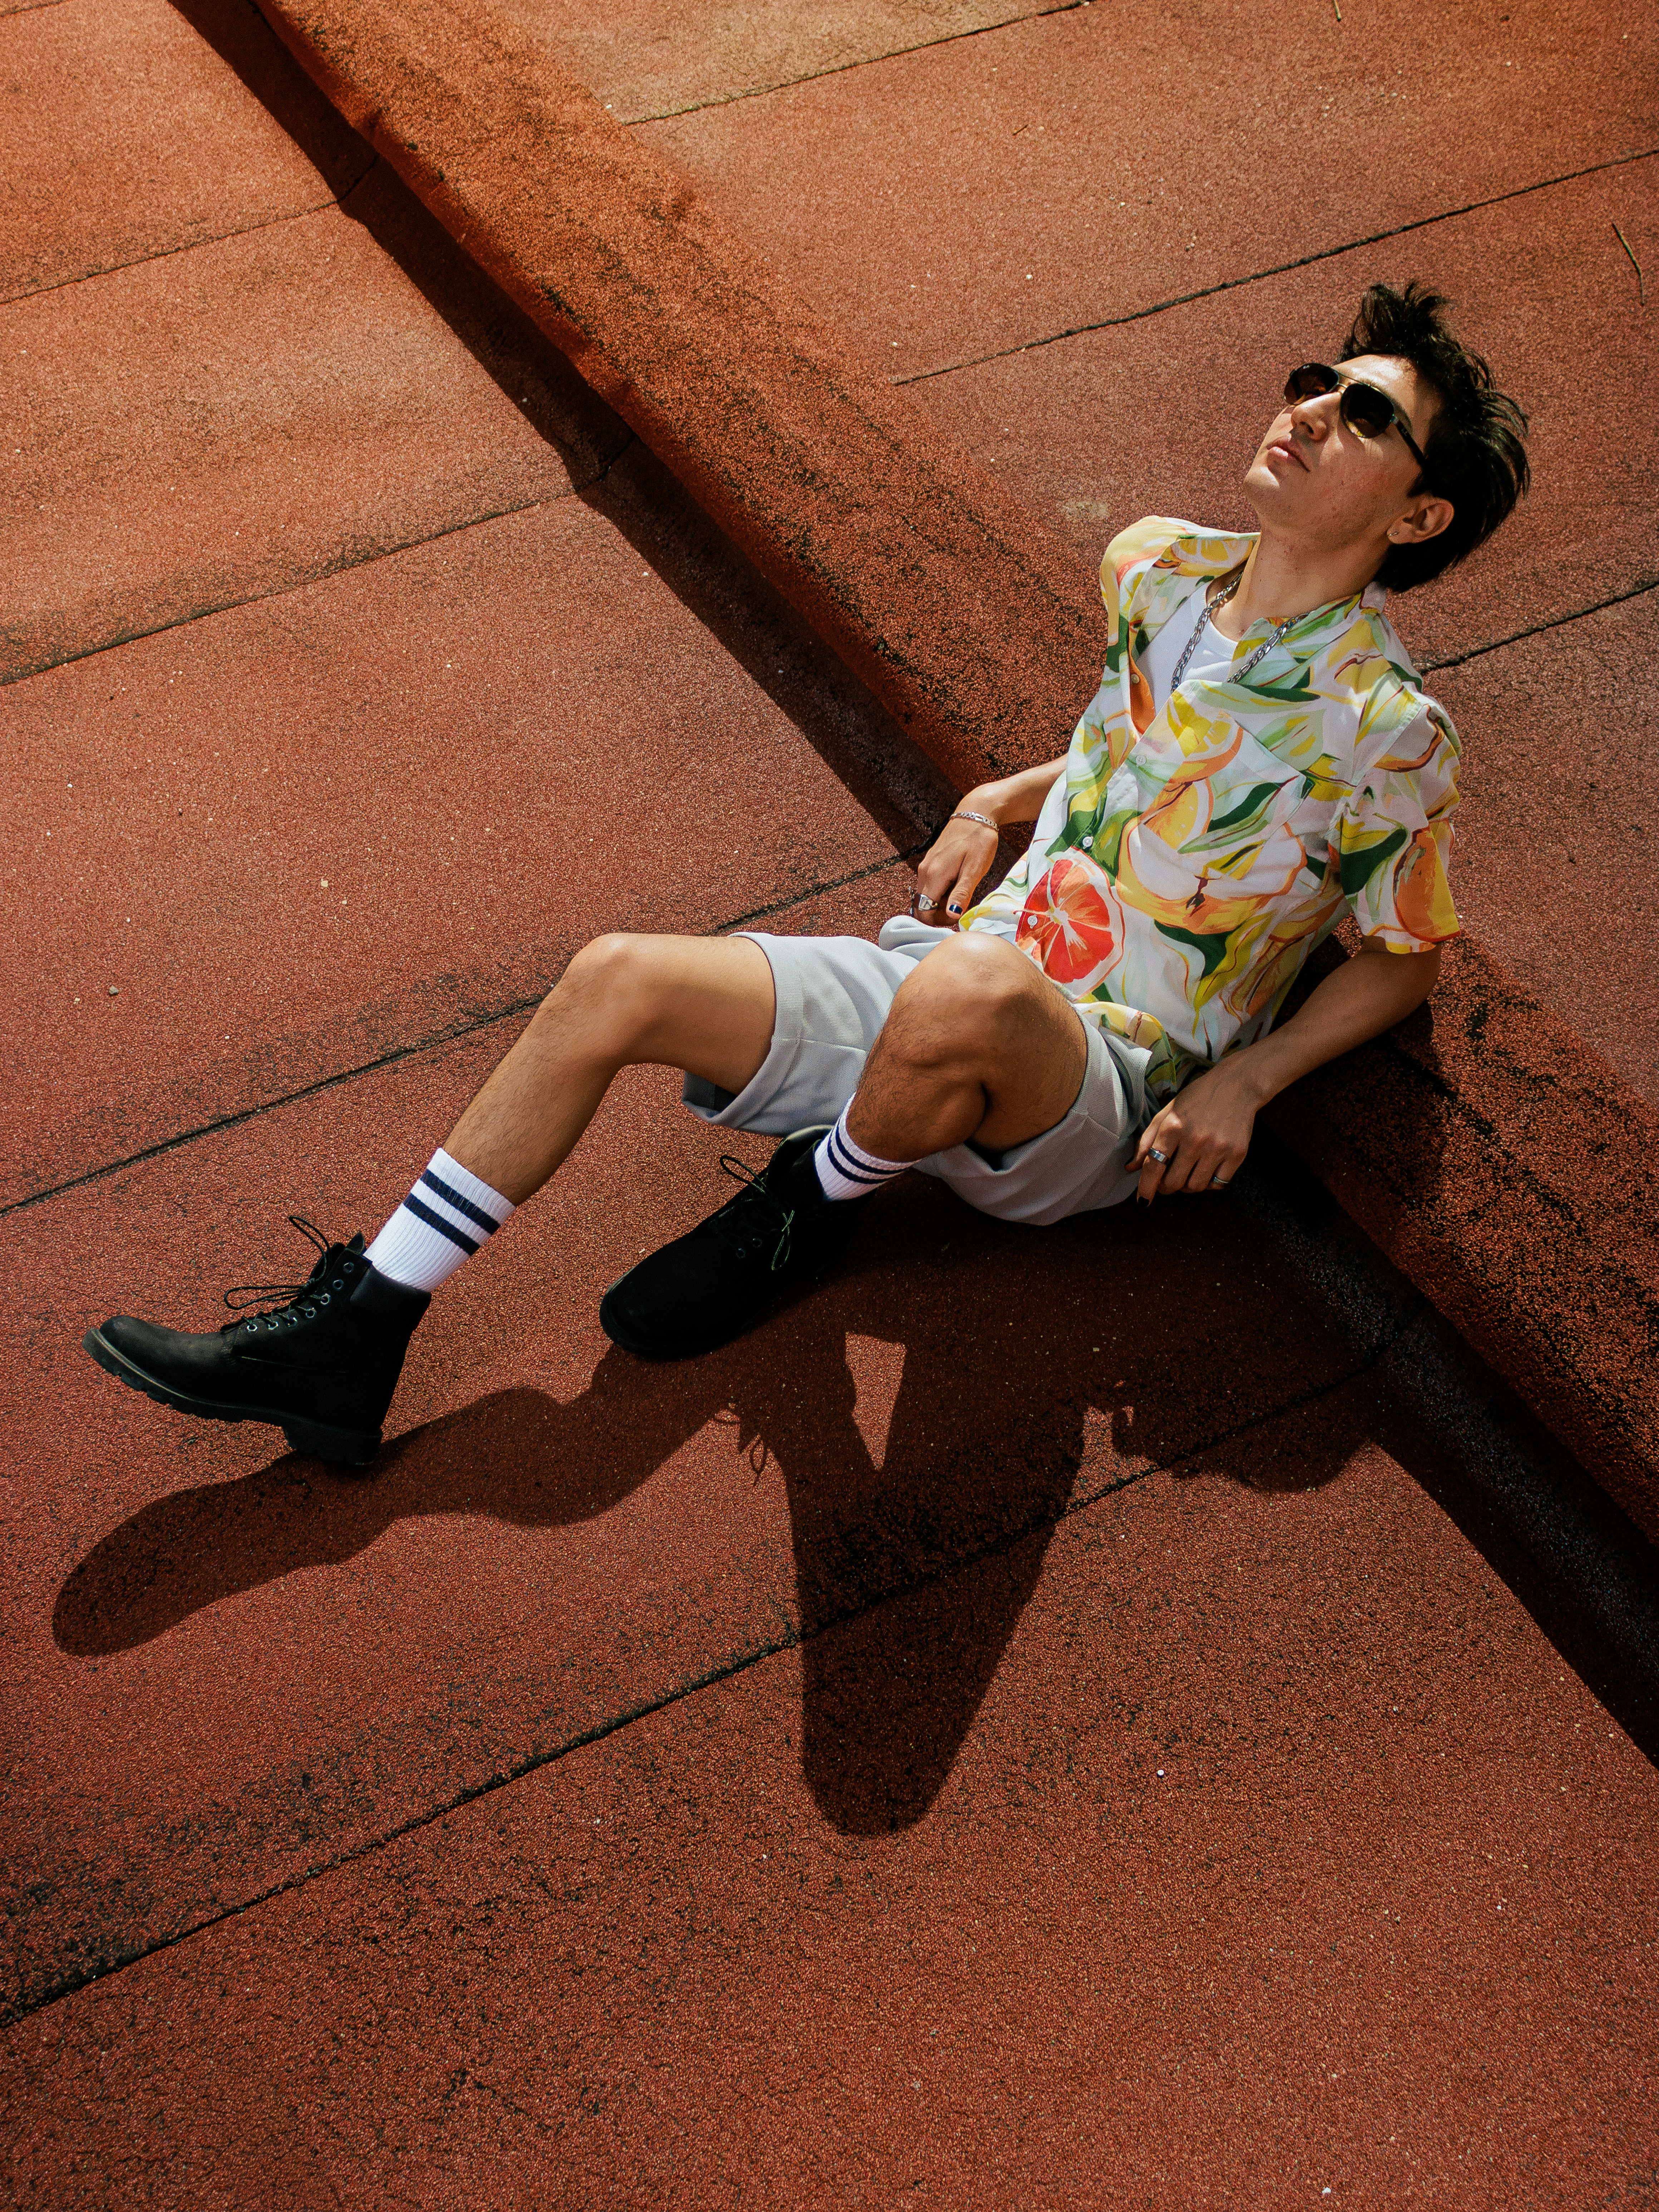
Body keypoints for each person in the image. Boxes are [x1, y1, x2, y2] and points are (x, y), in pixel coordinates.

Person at [84, 281, 1529, 1467]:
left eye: (1362, 417)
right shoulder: (1154, 570)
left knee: (968, 980)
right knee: (615, 976)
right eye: (1310, 381)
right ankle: (358, 1331)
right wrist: (996, 790)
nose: (1306, 413)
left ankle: (807, 1203)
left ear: (1416, 517)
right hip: (943, 987)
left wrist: (1246, 1082)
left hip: (1093, 1088)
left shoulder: (1387, 729)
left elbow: (1403, 954)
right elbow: (1137, 751)